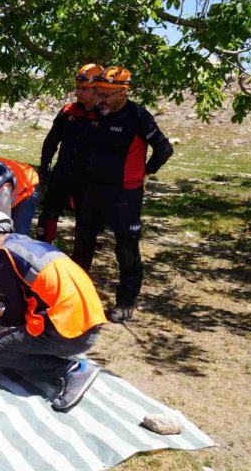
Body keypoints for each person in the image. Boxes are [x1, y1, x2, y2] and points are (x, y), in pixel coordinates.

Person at [0, 211, 107, 411]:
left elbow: (16, 312)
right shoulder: (29, 244)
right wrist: (7, 315)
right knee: (15, 334)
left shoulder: (3, 254)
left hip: (70, 332)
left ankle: (70, 370)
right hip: (89, 321)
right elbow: (37, 295)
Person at [71, 66, 173, 323]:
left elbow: (163, 149)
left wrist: (146, 173)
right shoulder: (96, 114)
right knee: (82, 244)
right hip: (92, 190)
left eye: (106, 92)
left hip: (125, 194)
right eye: (99, 91)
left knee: (126, 248)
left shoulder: (138, 116)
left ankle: (125, 302)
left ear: (123, 93)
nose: (101, 97)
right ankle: (73, 294)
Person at [35, 64, 101, 243]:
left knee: (86, 226)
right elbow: (51, 141)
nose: (79, 93)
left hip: (88, 180)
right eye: (77, 88)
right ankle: (41, 256)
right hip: (62, 173)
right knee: (47, 217)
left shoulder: (106, 115)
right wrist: (44, 167)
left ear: (97, 89)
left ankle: (80, 266)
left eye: (84, 89)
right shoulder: (68, 112)